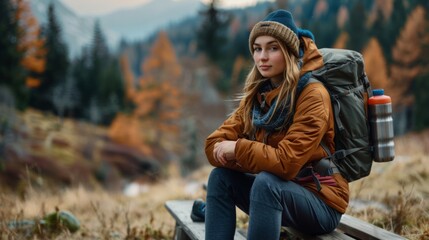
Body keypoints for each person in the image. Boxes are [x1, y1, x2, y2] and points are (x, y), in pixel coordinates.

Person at [203, 9, 349, 239]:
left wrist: (237, 149)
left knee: (266, 182)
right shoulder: (258, 96)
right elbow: (213, 143)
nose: (262, 57)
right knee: (220, 178)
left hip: (321, 200)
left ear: (289, 52)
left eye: (273, 48)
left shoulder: (313, 95)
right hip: (280, 192)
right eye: (257, 48)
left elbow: (286, 163)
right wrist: (235, 153)